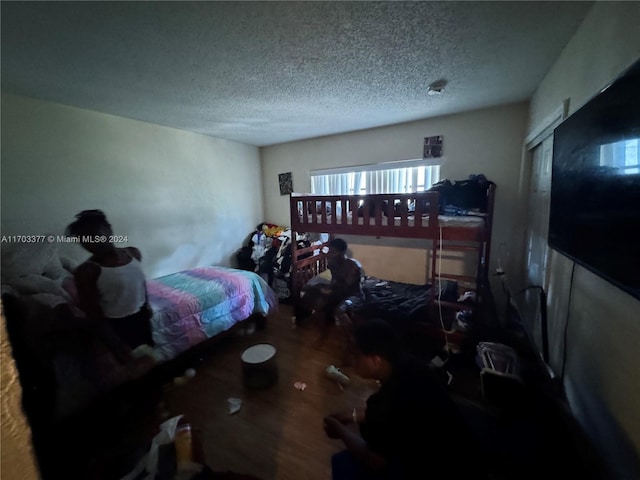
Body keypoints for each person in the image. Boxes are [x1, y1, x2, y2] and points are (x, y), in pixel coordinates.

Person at [323, 318, 487, 479]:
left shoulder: (385, 402)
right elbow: (397, 415)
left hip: (439, 468)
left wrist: (339, 429)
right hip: (467, 454)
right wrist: (351, 415)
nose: (351, 359)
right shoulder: (411, 365)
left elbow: (375, 461)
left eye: (356, 354)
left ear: (376, 360)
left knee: (342, 463)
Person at [66, 209, 153, 366]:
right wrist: (117, 346)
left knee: (149, 358)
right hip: (116, 325)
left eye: (95, 235)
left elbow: (140, 282)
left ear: (109, 230)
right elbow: (94, 314)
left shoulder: (133, 253)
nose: (91, 242)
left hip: (141, 317)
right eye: (84, 239)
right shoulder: (87, 271)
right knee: (132, 369)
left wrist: (146, 304)